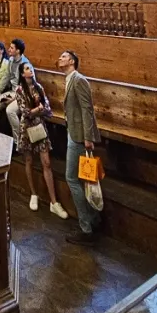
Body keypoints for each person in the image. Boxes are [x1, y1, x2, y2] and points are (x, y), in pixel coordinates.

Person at [58, 49, 101, 245]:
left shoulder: (79, 79)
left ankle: (86, 228)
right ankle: (92, 219)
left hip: (78, 136)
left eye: (64, 56)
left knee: (72, 178)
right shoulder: (68, 80)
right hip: (73, 132)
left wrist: (88, 137)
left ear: (73, 61)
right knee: (80, 178)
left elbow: (87, 108)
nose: (60, 59)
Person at [16, 63, 68, 220]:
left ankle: (54, 202)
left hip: (40, 126)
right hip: (27, 128)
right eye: (26, 69)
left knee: (46, 162)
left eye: (30, 68)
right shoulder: (19, 90)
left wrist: (40, 110)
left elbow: (48, 109)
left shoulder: (39, 87)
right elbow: (25, 112)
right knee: (29, 160)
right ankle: (33, 193)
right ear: (22, 73)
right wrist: (37, 110)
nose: (30, 70)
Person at [0, 38, 30, 142]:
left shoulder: (25, 65)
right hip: (12, 92)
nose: (9, 49)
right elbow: (6, 77)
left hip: (23, 95)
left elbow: (27, 87)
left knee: (10, 110)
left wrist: (13, 99)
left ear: (18, 51)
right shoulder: (11, 60)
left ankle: (18, 142)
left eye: (12, 48)